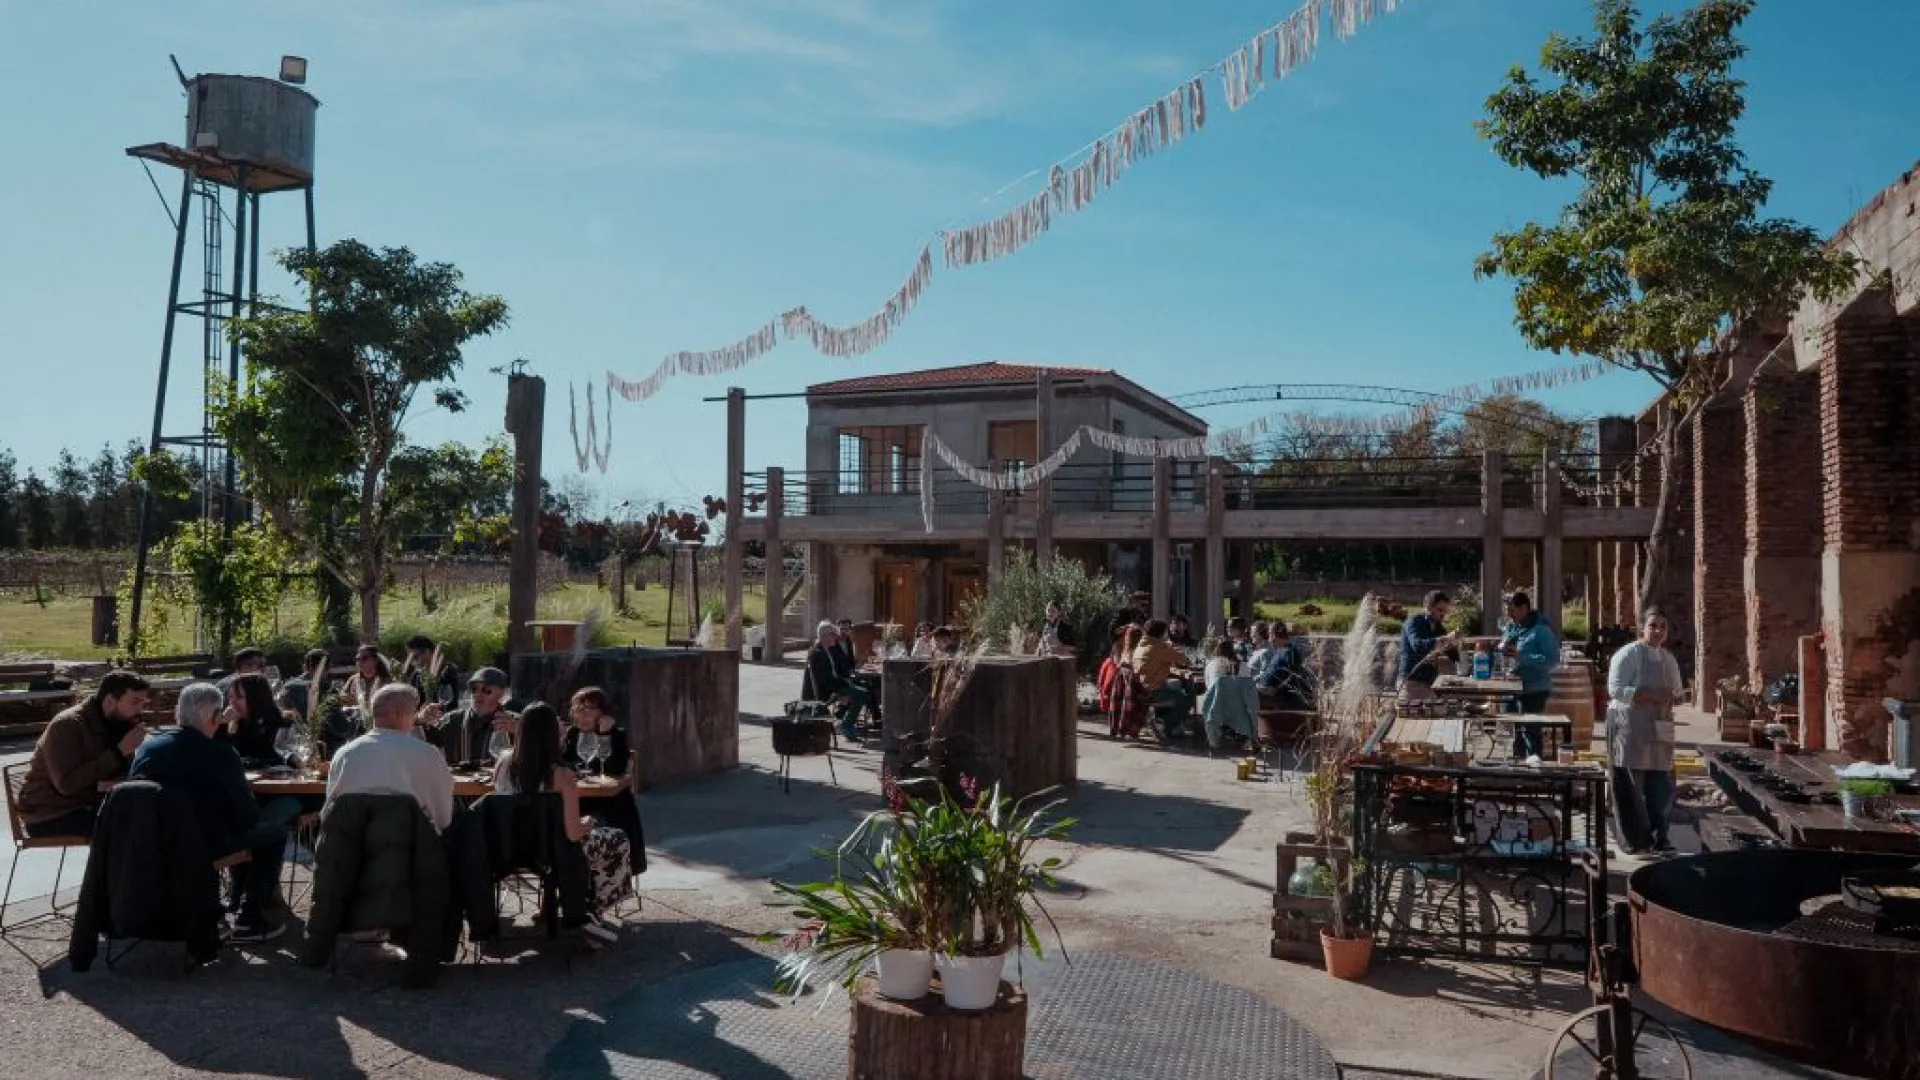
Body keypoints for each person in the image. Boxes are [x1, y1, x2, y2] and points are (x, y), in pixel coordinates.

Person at [130, 682, 286, 943]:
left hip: (149, 842)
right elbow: (246, 817)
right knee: (273, 834)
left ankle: (230, 901)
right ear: (216, 717)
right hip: (201, 846)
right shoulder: (222, 754)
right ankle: (248, 917)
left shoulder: (147, 749)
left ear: (177, 714)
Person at [494, 703, 627, 946]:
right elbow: (573, 833)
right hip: (551, 852)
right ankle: (591, 912)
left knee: (584, 842)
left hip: (512, 848)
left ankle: (562, 907)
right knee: (617, 839)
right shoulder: (562, 775)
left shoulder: (503, 763)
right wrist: (589, 822)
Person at [15, 671, 150, 839]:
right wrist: (119, 752)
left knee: (155, 812)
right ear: (109, 701)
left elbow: (119, 774)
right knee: (129, 825)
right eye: (135, 702)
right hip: (50, 813)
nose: (140, 710)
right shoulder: (68, 725)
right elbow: (66, 785)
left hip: (89, 803)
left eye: (143, 703)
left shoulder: (118, 722)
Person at [326, 684, 455, 833]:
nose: (416, 718)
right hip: (409, 843)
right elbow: (444, 819)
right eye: (414, 712)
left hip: (351, 843)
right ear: (396, 714)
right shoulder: (427, 754)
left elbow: (329, 814)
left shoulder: (344, 754)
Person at [1606, 608, 1683, 855]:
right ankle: (1635, 841)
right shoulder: (1628, 654)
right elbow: (1615, 690)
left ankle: (1660, 836)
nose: (1658, 631)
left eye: (1663, 626)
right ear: (1642, 627)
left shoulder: (1668, 659)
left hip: (1660, 726)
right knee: (1630, 783)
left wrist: (1675, 697)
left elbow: (1678, 691)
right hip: (1629, 726)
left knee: (1661, 783)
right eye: (1653, 626)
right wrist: (1649, 694)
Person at [1500, 590, 1561, 758]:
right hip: (1510, 688)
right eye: (1507, 611)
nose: (1509, 615)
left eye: (1512, 610)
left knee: (1531, 734)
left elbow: (1552, 660)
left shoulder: (1541, 630)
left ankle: (1534, 767)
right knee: (1511, 734)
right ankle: (1516, 768)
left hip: (1534, 689)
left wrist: (1522, 656)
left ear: (1524, 608)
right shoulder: (1511, 628)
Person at [428, 667, 517, 767]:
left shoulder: (513, 722)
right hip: (457, 777)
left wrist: (517, 731)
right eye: (474, 689)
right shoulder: (452, 720)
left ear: (501, 693)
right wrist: (419, 720)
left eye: (486, 690)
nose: (478, 694)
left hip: (497, 777)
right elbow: (423, 743)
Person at [804, 622, 872, 741]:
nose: (836, 637)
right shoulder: (818, 653)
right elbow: (826, 681)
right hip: (824, 692)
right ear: (825, 636)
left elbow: (833, 674)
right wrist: (841, 690)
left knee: (864, 688)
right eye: (833, 635)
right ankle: (846, 725)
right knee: (862, 694)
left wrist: (845, 681)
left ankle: (846, 723)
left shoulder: (825, 650)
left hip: (832, 686)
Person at [1130, 619, 1192, 734]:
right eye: (1165, 632)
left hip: (1142, 689)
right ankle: (1164, 725)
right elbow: (1183, 660)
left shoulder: (1141, 646)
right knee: (1187, 700)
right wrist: (1173, 649)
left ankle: (1173, 723)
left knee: (1176, 685)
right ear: (1160, 633)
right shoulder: (1158, 647)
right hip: (1154, 691)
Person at [1398, 590, 1459, 702]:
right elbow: (1418, 645)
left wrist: (1458, 644)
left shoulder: (1438, 627)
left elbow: (1454, 656)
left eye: (1445, 611)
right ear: (1428, 608)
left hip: (1428, 684)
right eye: (1440, 610)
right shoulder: (1413, 622)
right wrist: (1445, 639)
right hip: (1411, 682)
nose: (1443, 614)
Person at [219, 673, 286, 768]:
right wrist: (222, 724)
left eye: (240, 697)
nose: (232, 702)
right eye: (230, 696)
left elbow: (267, 753)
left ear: (256, 698)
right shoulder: (236, 724)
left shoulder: (277, 723)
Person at [401, 634, 462, 711]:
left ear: (427, 652)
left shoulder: (447, 671)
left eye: (415, 657)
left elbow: (450, 702)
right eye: (410, 659)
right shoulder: (416, 675)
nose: (412, 662)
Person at [342, 645, 392, 715]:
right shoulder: (353, 680)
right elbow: (343, 697)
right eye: (358, 659)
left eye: (364, 658)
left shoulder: (386, 682)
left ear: (375, 660)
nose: (360, 662)